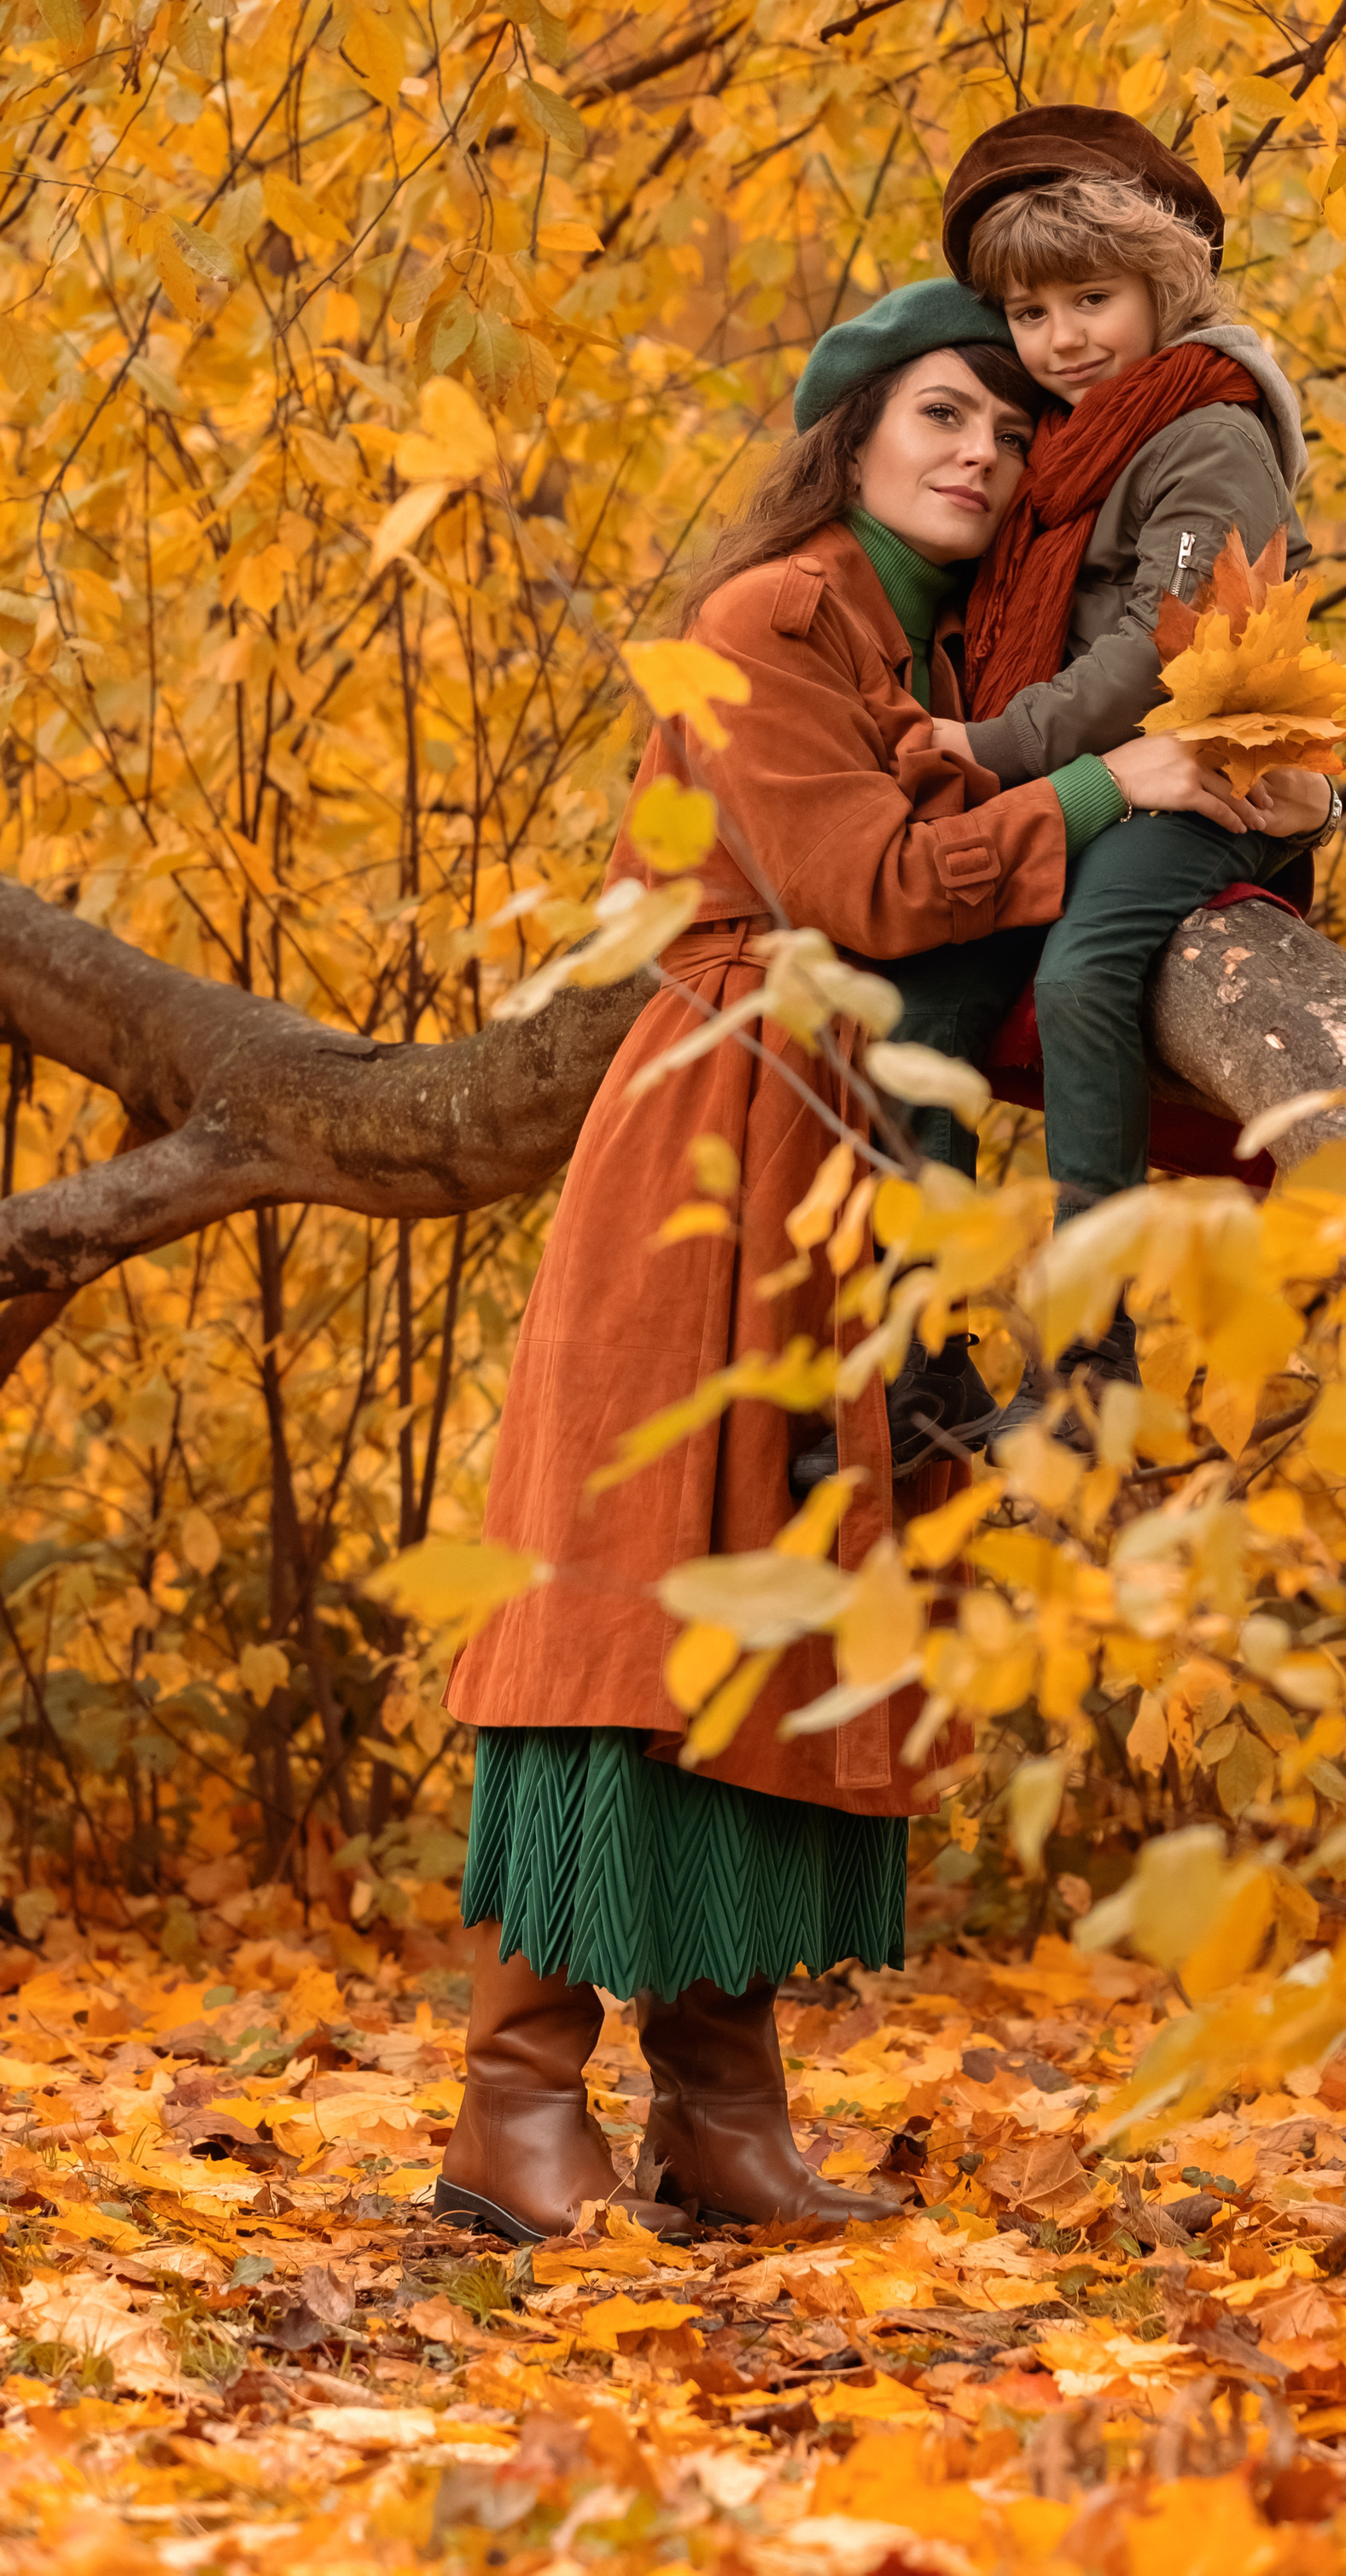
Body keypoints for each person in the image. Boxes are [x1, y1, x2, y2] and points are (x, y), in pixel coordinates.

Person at [437, 283, 1257, 2246]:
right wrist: (1101, 789)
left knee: (781, 1608)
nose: (978, 451)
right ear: (849, 438)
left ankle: (718, 2118)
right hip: (714, 1126)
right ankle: (508, 2105)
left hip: (839, 1143)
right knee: (628, 1596)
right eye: (939, 417)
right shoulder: (769, 618)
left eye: (1000, 426)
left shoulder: (895, 654)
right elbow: (856, 890)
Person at [877, 107, 1335, 1442]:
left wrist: (998, 747)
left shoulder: (1206, 433)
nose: (1065, 338)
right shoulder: (1060, 453)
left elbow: (1163, 638)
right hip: (1095, 776)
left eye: (1094, 298)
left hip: (1202, 773)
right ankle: (929, 1342)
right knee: (928, 987)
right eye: (1031, 313)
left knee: (1085, 973)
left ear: (1161, 288)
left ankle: (1094, 1353)